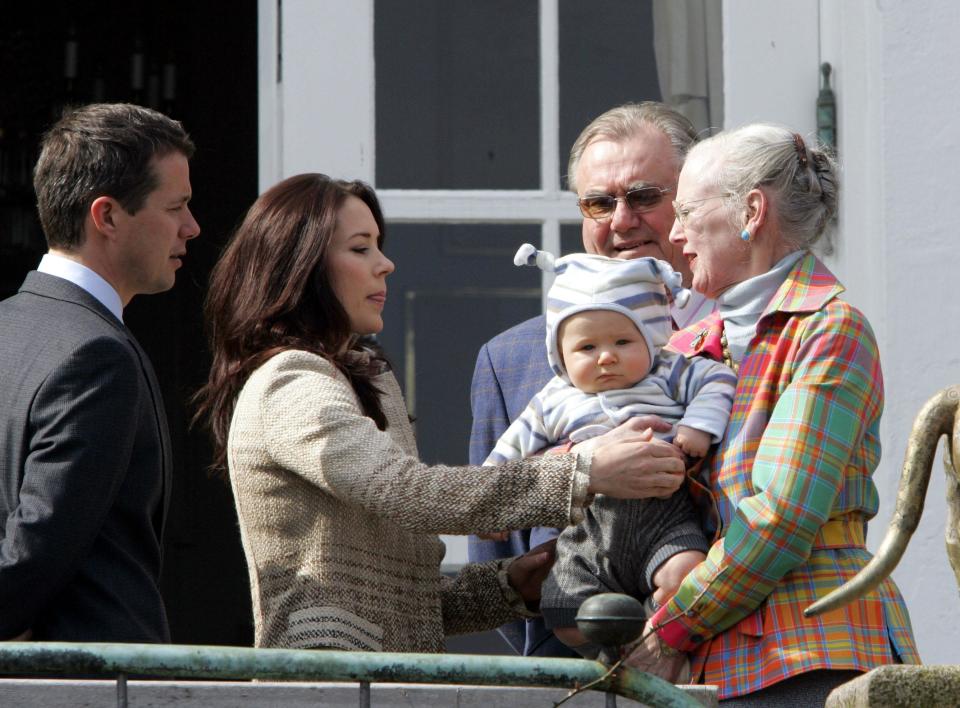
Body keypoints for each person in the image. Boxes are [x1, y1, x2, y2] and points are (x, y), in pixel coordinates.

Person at [194, 173, 692, 653]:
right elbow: (405, 491)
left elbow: (402, 605)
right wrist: (581, 473)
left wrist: (510, 586)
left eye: (379, 246)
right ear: (301, 266)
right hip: (329, 689)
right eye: (360, 247)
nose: (385, 264)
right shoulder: (289, 380)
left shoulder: (364, 377)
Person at [624, 124, 920, 705]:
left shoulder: (830, 329)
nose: (675, 232)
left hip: (814, 652)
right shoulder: (688, 346)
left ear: (751, 212)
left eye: (686, 211)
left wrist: (672, 628)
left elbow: (781, 517)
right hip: (706, 663)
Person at [469, 101, 713, 657]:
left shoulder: (747, 335)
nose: (621, 221)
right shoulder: (510, 359)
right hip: (577, 665)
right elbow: (498, 549)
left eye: (645, 197)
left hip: (736, 665)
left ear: (692, 202)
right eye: (599, 203)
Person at [0, 103, 200, 642]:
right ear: (107, 216)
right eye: (176, 206)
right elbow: (34, 552)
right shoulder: (96, 354)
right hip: (86, 683)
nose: (192, 227)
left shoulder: (9, 326)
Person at [486, 244, 736, 658]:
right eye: (586, 348)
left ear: (652, 339)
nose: (606, 356)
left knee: (686, 571)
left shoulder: (668, 370)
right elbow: (509, 449)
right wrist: (495, 504)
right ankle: (609, 657)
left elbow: (719, 381)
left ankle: (649, 628)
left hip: (665, 515)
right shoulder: (554, 398)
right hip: (588, 525)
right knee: (566, 612)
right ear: (560, 356)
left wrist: (698, 425)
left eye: (623, 340)